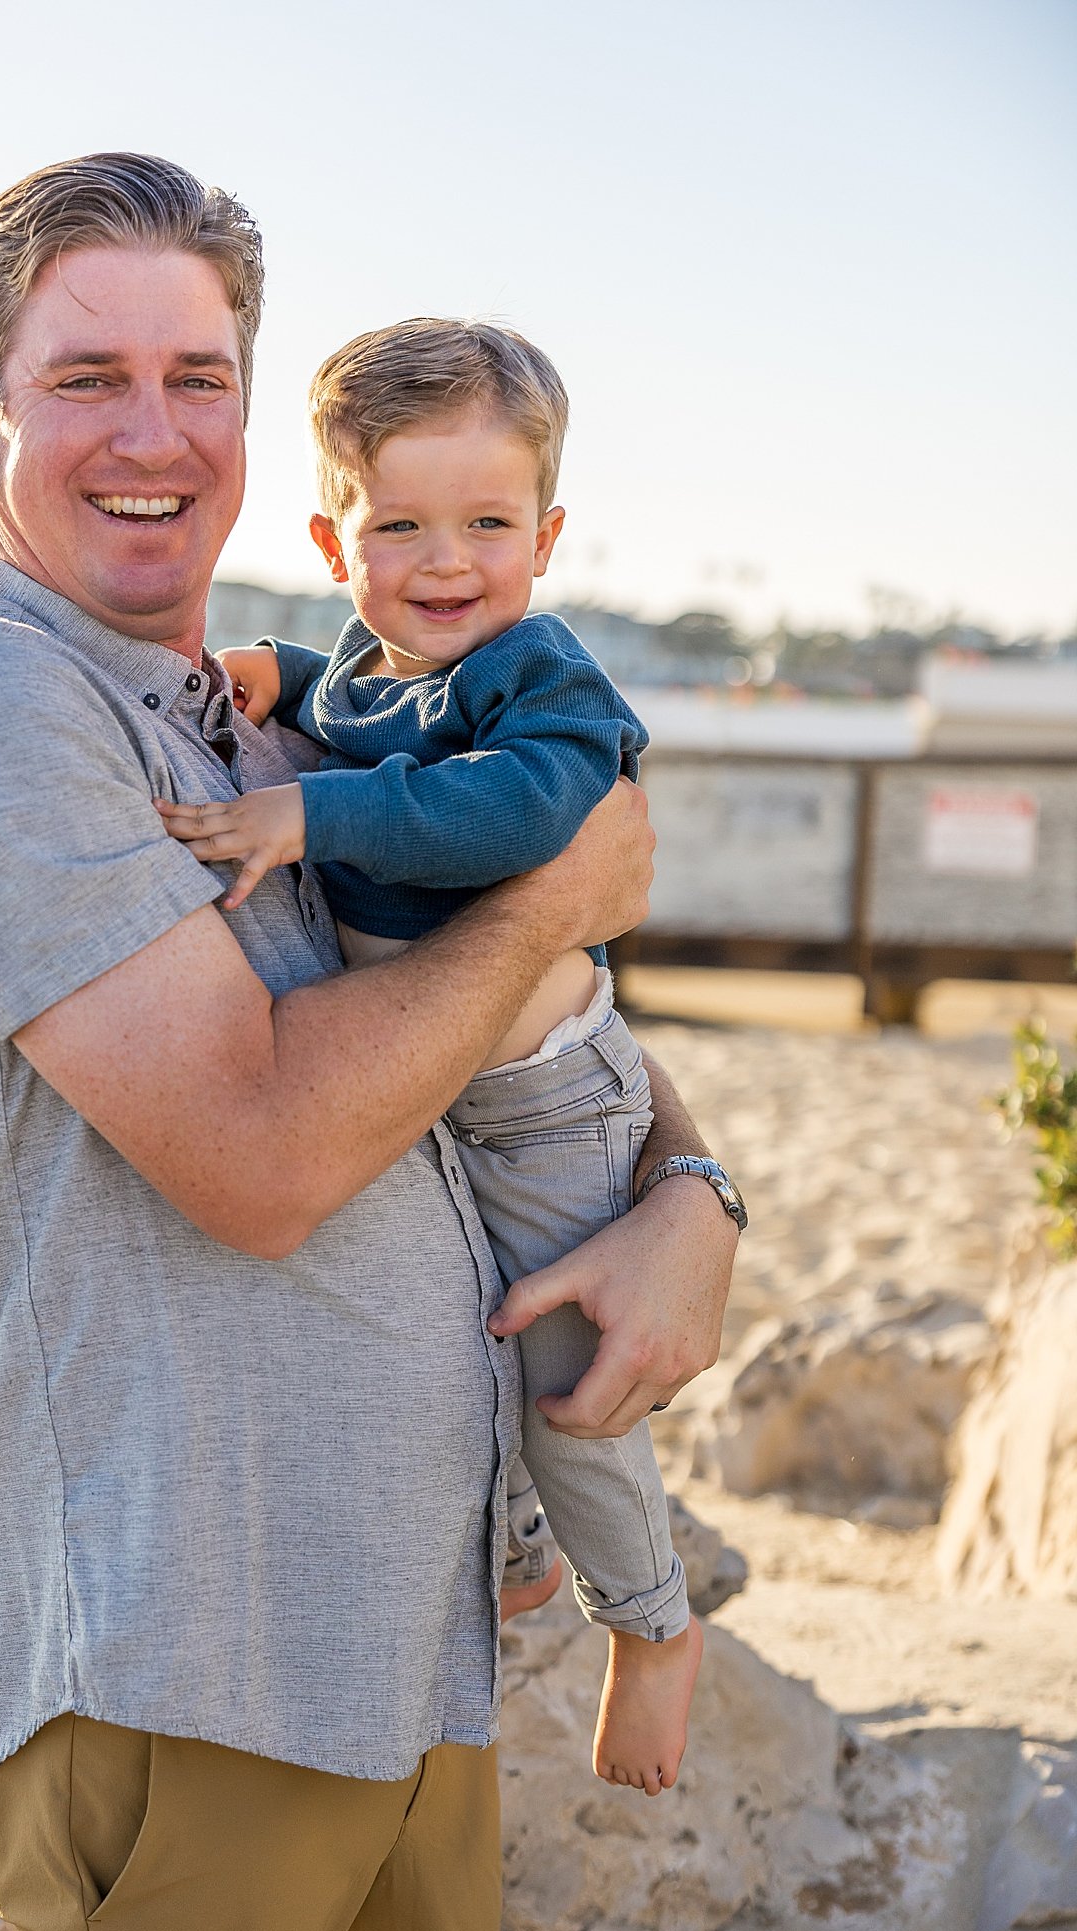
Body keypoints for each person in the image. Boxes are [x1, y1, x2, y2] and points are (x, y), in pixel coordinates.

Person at [0, 151, 742, 1931]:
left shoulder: (268, 721)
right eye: (86, 377)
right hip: (181, 1669)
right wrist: (554, 900)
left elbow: (489, 1018)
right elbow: (261, 1153)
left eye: (200, 374)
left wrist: (686, 1180)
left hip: (398, 1659)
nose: (153, 433)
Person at [159, 317, 748, 1795]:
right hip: (437, 1093)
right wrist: (272, 676)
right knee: (442, 1340)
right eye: (401, 524)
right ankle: (525, 1557)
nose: (446, 562)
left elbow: (520, 815)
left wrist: (313, 818)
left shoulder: (543, 676)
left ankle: (655, 1621)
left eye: (488, 523)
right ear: (331, 535)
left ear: (546, 536)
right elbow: (358, 700)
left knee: (570, 1389)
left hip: (551, 1106)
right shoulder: (369, 667)